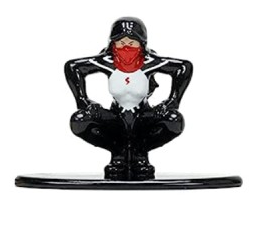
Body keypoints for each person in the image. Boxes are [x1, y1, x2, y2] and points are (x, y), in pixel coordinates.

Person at [64, 17, 191, 181]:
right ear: (113, 43)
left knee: (174, 120)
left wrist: (173, 101)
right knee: (79, 120)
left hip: (143, 117)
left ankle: (139, 154)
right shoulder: (107, 62)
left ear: (141, 43)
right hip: (115, 118)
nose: (126, 46)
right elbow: (73, 67)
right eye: (121, 42)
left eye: (132, 42)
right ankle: (118, 153)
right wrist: (83, 101)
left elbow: (184, 67)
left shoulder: (149, 62)